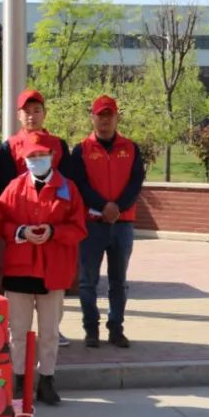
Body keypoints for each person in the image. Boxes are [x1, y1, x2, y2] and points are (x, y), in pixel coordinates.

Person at [0, 140, 87, 405]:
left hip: (53, 270)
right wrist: (20, 232)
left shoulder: (68, 189)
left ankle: (47, 380)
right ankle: (18, 379)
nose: (37, 159)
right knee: (18, 331)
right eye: (31, 156)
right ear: (24, 160)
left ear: (52, 155)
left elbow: (79, 228)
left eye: (41, 154)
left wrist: (54, 232)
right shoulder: (14, 187)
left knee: (49, 332)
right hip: (20, 269)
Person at [0, 88, 75, 346]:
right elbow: (4, 189)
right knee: (20, 293)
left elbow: (67, 185)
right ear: (19, 115)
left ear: (45, 113)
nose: (32, 115)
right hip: (21, 228)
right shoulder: (9, 146)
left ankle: (52, 330)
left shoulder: (58, 145)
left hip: (52, 226)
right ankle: (18, 338)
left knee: (52, 286)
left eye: (37, 110)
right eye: (27, 111)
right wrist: (20, 227)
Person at [69, 95, 145, 349]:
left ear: (116, 118)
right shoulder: (81, 150)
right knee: (87, 281)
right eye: (100, 115)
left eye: (109, 115)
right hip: (92, 224)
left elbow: (135, 183)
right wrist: (103, 206)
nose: (104, 120)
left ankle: (116, 329)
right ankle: (91, 329)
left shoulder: (131, 148)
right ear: (92, 117)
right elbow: (80, 185)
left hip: (122, 225)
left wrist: (117, 208)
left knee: (118, 282)